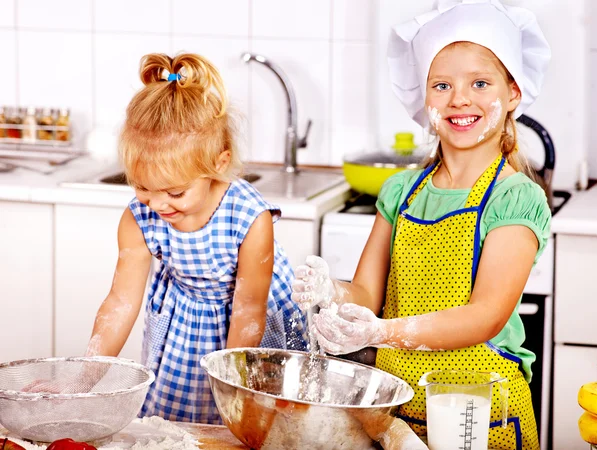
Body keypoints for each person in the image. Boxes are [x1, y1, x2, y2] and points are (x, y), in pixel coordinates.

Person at [292, 1, 551, 449]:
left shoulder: (515, 199)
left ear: (513, 94)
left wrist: (381, 332)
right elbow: (367, 294)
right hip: (395, 412)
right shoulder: (400, 191)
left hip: (480, 415)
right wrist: (328, 291)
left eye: (480, 83)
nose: (459, 99)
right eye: (442, 84)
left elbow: (485, 316)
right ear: (423, 97)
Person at [84, 52, 307, 424]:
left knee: (242, 422)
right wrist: (87, 375)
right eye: (143, 187)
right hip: (186, 321)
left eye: (174, 192)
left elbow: (249, 310)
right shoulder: (138, 217)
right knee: (175, 425)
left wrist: (235, 387)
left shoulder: (250, 218)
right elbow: (121, 302)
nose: (156, 204)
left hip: (250, 325)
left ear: (218, 165)